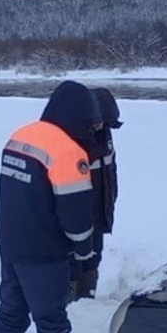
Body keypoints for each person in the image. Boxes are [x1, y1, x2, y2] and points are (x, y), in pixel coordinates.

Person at [0, 80, 101, 333]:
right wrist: (85, 252)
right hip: (44, 253)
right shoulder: (69, 153)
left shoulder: (21, 135)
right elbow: (76, 219)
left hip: (11, 243)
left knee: (11, 313)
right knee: (52, 324)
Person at [71, 87, 121, 300]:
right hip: (76, 218)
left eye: (105, 122)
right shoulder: (73, 140)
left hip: (99, 213)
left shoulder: (105, 136)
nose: (101, 126)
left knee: (93, 258)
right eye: (98, 121)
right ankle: (68, 301)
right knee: (73, 262)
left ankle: (87, 298)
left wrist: (110, 203)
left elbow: (111, 172)